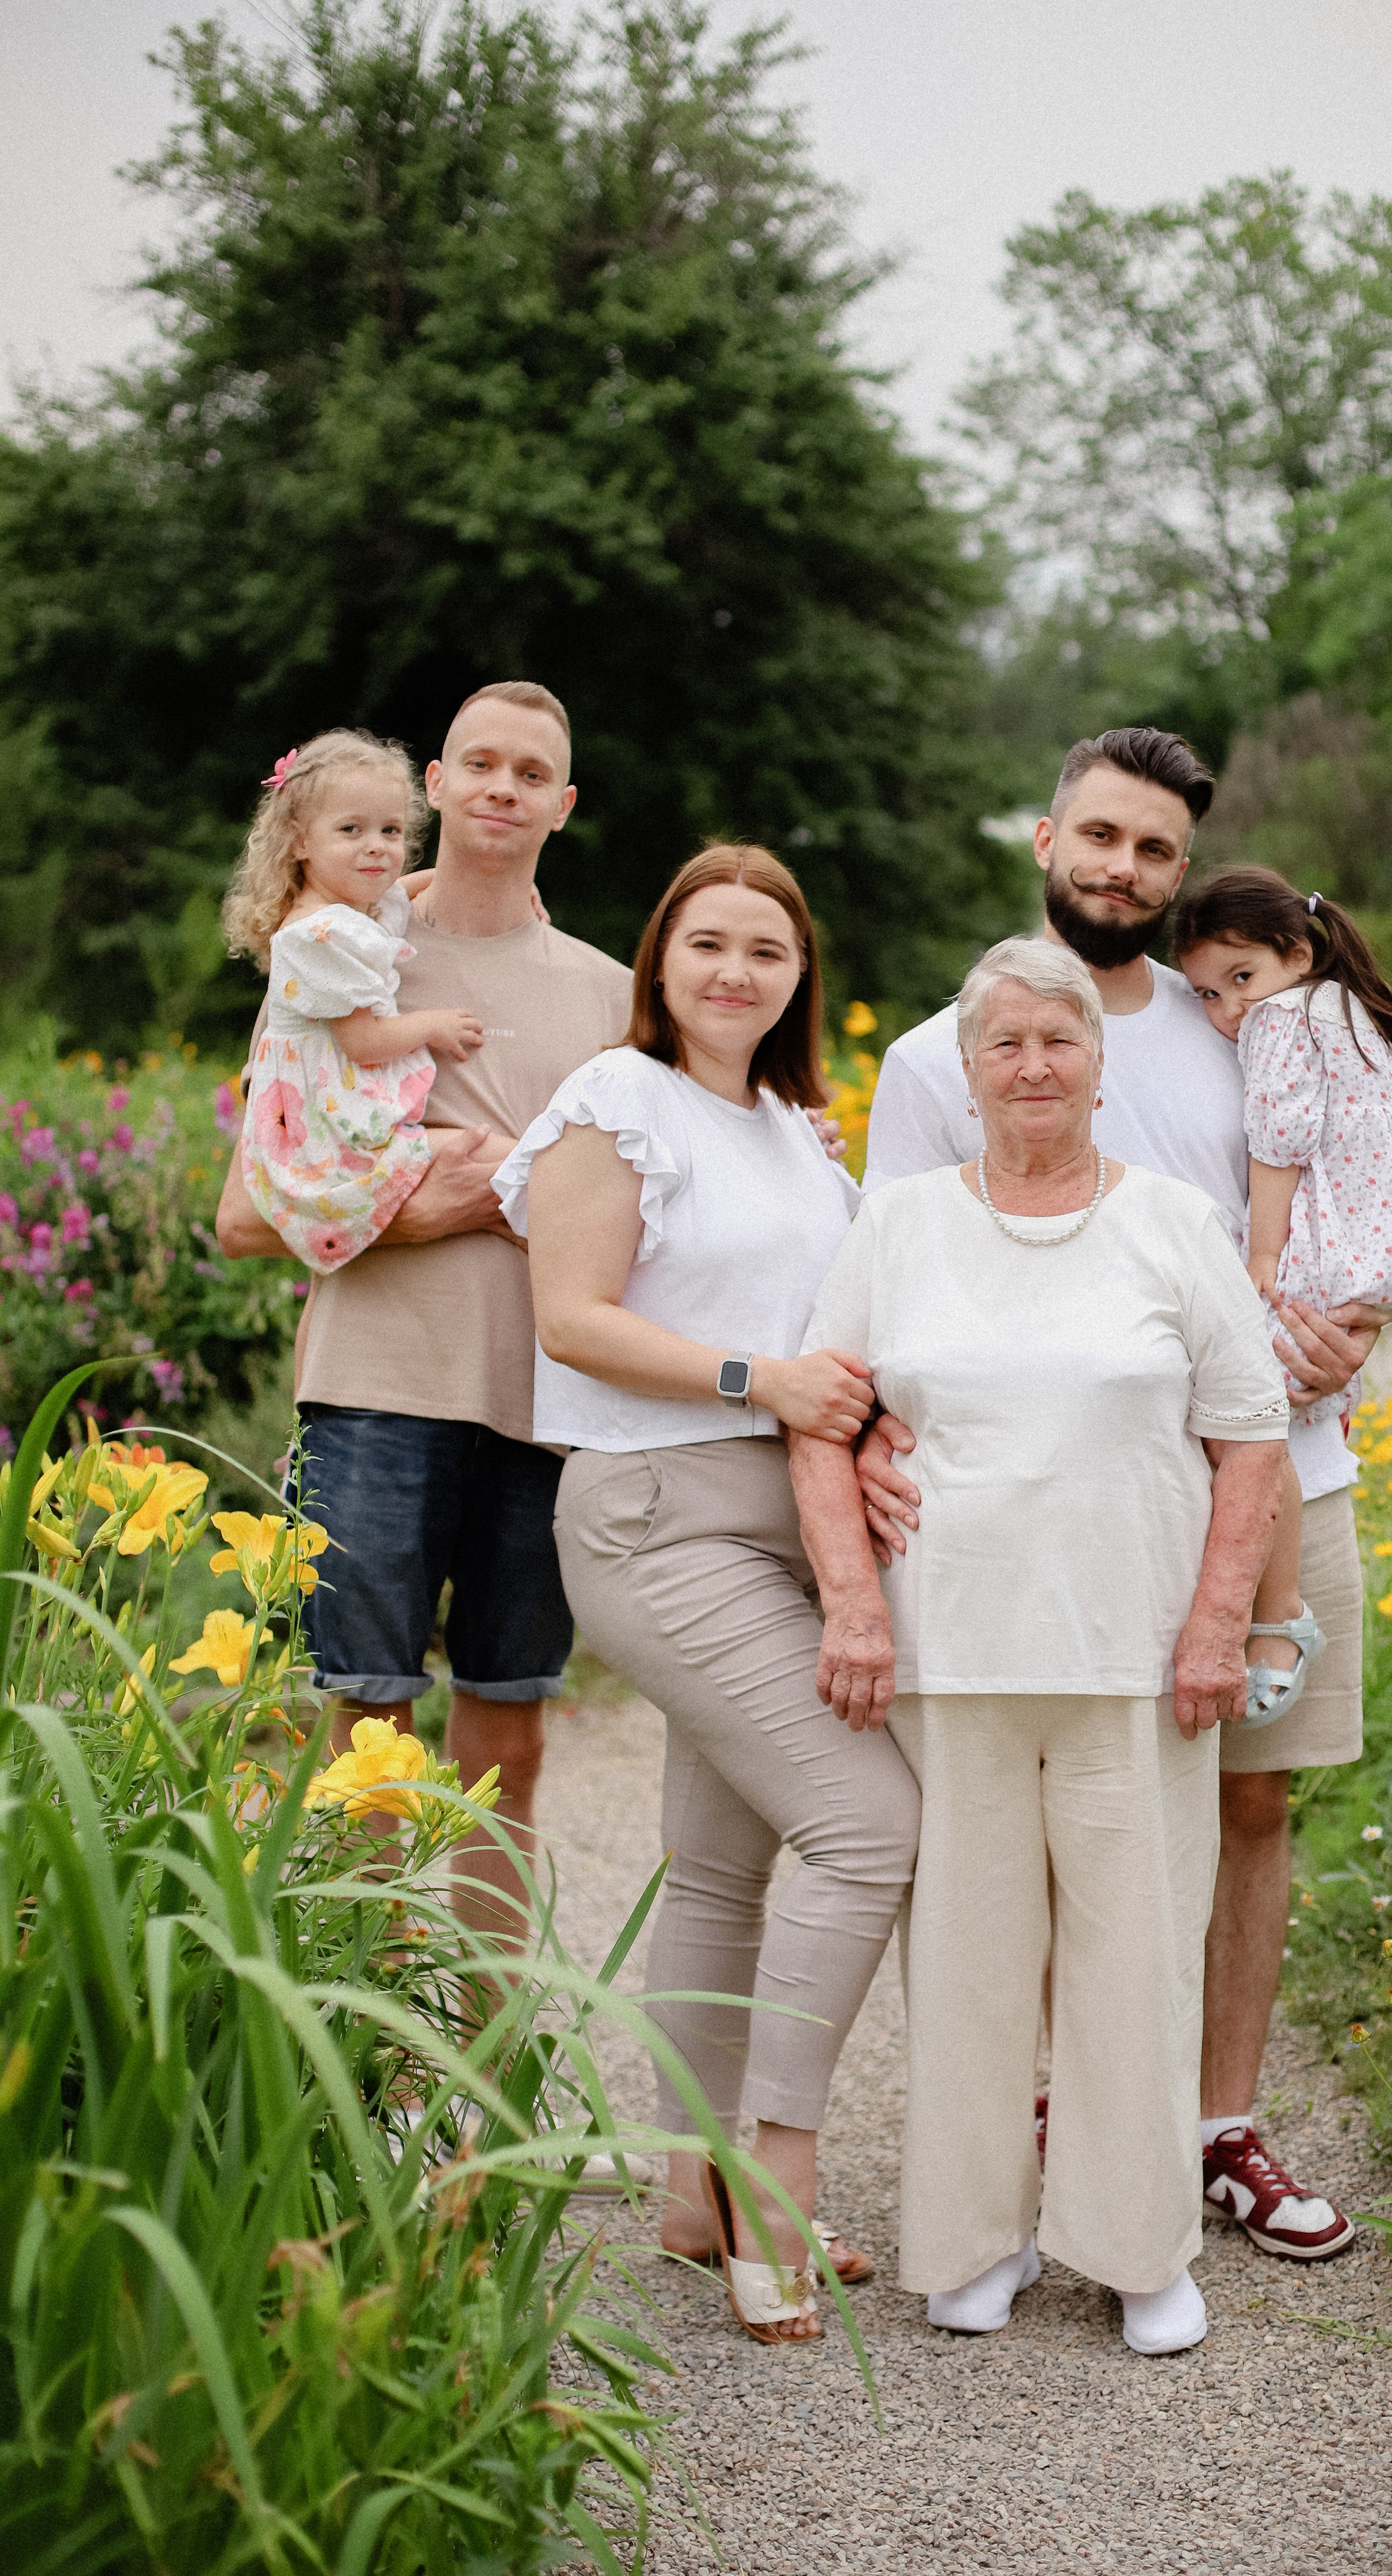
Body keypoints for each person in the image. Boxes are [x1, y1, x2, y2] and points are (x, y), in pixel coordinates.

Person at [860, 725, 1377, 2260]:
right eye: (1097, 836)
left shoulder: (1243, 1026)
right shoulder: (948, 1047)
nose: (1120, 868)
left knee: (1255, 1792)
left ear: (1178, 869)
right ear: (1042, 838)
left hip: (1277, 1468)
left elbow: (1354, 1185)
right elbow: (893, 1277)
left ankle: (1215, 2123)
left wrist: (1367, 1310)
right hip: (1042, 1503)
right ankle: (1050, 2122)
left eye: (1152, 848)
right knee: (1035, 1812)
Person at [792, 936, 1289, 2353]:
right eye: (1002, 1043)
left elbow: (1248, 1438)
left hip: (1136, 1658)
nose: (1029, 1067)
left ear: (1095, 1062)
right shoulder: (895, 1225)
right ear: (963, 1068)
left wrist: (1214, 1625)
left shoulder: (1174, 1222)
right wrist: (848, 1602)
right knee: (964, 1959)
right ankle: (973, 2239)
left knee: (1135, 1954)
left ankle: (1138, 2252)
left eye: (1056, 1042)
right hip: (947, 1656)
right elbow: (819, 1424)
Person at [494, 844, 919, 2348]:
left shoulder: (800, 1135)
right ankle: (765, 2178)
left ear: (800, 977)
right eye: (707, 943)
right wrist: (763, 1381)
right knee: (871, 1828)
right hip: (655, 1518)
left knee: (724, 1869)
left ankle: (687, 2195)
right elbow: (572, 1316)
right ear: (659, 961)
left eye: (767, 949)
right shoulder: (616, 1104)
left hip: (780, 1528)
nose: (736, 971)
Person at [215, 681, 631, 1929]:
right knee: (368, 1729)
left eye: (531, 772)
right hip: (376, 1395)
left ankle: (482, 2065)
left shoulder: (613, 995)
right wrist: (447, 1202)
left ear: (564, 806)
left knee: (510, 1737)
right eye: (478, 763)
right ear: (436, 785)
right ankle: (366, 2059)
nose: (502, 787)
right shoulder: (340, 948)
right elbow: (246, 1213)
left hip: (546, 1405)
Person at [1175, 865, 1392, 1713]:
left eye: (1239, 979)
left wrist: (1261, 1257)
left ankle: (1279, 1611)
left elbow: (1278, 1144)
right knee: (1286, 1404)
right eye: (1208, 996)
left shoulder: (1280, 1023)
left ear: (1293, 952)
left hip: (1322, 1252)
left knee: (1251, 1423)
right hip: (1385, 1250)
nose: (1228, 1012)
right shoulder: (1347, 1005)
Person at [222, 730, 486, 1273]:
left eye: (390, 830)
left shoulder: (346, 907)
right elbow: (365, 1043)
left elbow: (402, 891)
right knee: (499, 1166)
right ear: (300, 842)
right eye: (351, 830)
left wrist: (489, 885)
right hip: (327, 1130)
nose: (377, 845)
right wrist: (433, 1025)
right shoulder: (320, 935)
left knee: (498, 1185)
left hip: (334, 1109)